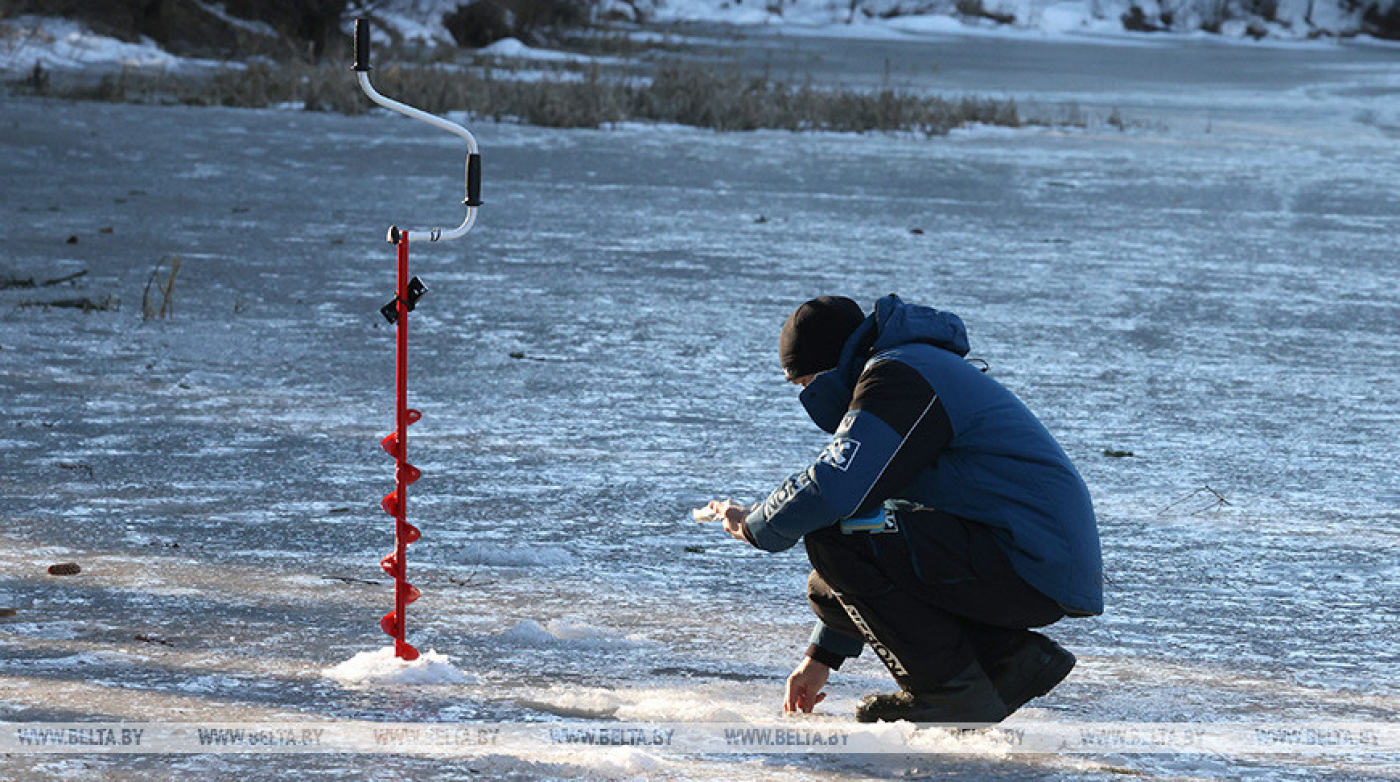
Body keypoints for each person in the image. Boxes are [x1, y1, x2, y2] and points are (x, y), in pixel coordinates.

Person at [708, 294, 1103, 723]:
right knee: (838, 561)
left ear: (828, 365)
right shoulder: (909, 368)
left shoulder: (900, 376)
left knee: (834, 535)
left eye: (805, 384)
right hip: (1027, 556)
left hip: (1030, 558)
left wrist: (754, 523)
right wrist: (820, 657)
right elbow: (866, 515)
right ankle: (1007, 660)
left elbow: (832, 489)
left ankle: (953, 691)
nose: (806, 397)